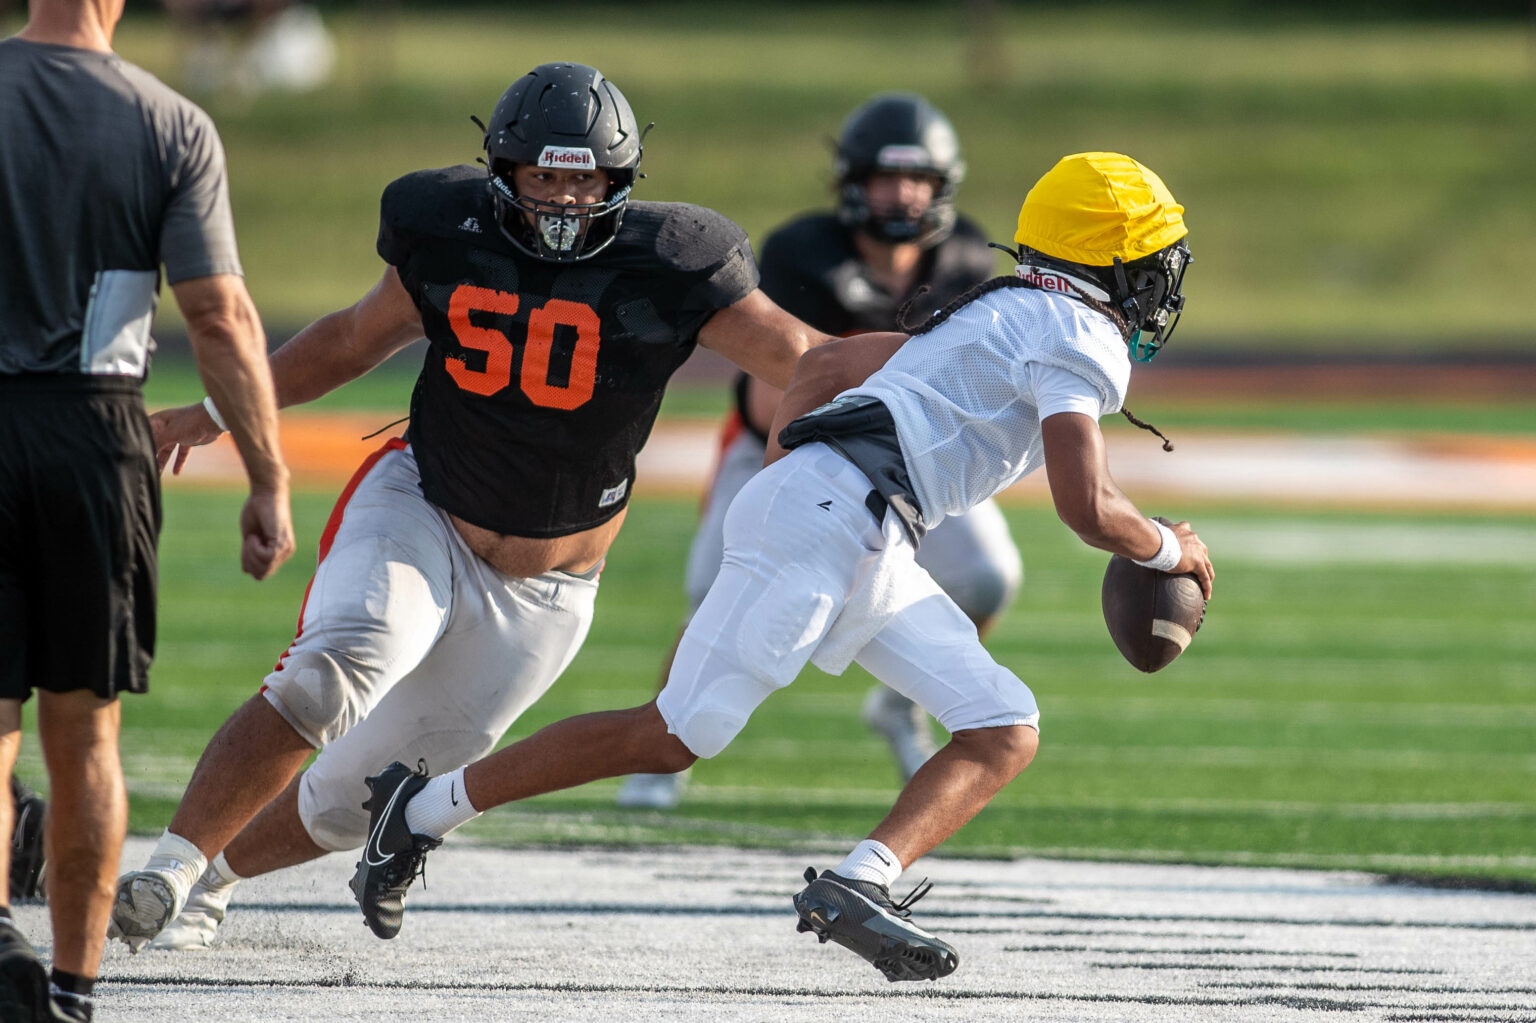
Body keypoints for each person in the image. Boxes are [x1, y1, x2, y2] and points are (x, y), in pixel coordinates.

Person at [346, 151, 1214, 982]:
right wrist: (1175, 548)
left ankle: (862, 879)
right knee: (674, 734)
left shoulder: (998, 304)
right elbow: (1086, 504)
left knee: (1002, 724)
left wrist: (789, 478)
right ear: (1116, 265)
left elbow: (826, 364)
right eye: (1152, 261)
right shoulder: (1080, 329)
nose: (1160, 283)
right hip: (843, 516)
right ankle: (415, 811)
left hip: (859, 522)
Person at [108, 61, 843, 952]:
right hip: (426, 505)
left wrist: (941, 387)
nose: (566, 199)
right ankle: (170, 866)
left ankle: (211, 882)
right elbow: (351, 338)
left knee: (363, 795)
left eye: (585, 178)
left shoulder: (674, 260)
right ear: (504, 172)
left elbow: (808, 357)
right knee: (332, 666)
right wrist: (223, 408)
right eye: (546, 176)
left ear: (618, 180)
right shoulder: (446, 230)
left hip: (550, 587)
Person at [0, 0, 294, 1017]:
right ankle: (74, 987)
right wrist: (267, 473)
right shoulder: (168, 122)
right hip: (95, 431)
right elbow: (218, 314)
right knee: (86, 736)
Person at [616, 93, 1023, 811]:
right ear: (850, 184)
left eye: (918, 179)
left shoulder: (966, 256)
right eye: (885, 178)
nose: (901, 195)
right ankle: (660, 747)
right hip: (787, 435)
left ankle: (903, 706)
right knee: (718, 591)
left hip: (911, 459)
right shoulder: (804, 253)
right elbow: (772, 393)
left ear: (943, 185)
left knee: (989, 576)